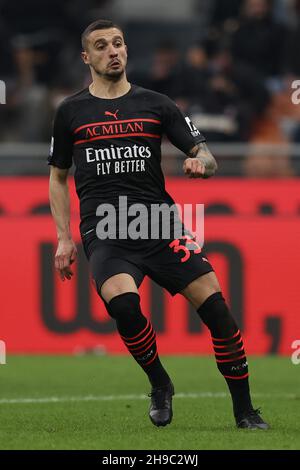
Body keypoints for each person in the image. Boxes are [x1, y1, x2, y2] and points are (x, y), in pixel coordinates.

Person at [48, 19, 269, 430]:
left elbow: (208, 156)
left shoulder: (157, 104)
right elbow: (58, 177)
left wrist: (199, 163)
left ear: (127, 50)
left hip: (158, 223)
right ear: (86, 57)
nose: (112, 51)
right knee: (125, 306)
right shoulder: (71, 111)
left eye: (117, 43)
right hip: (107, 229)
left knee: (218, 313)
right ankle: (160, 383)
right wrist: (64, 238)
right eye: (101, 46)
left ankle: (245, 411)